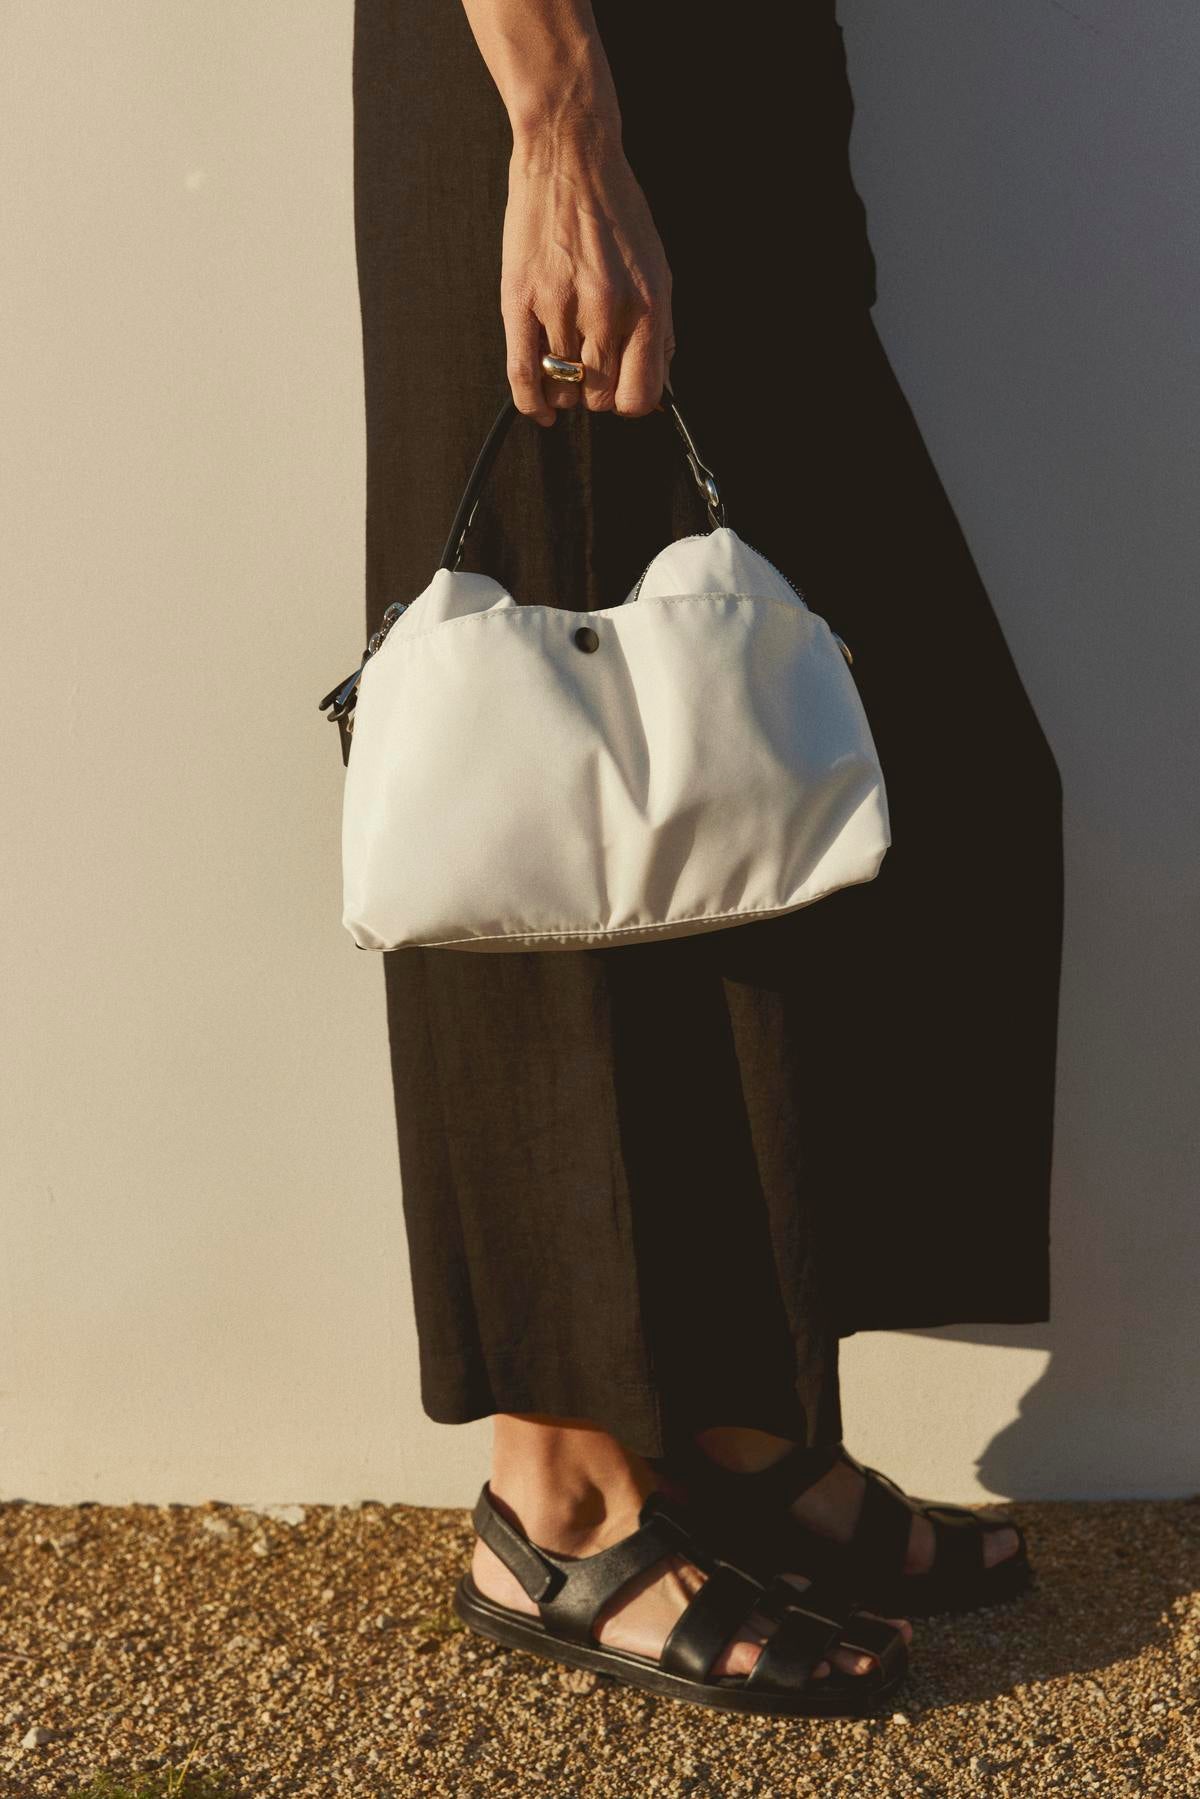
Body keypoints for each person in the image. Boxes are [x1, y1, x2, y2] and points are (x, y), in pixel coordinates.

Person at [349, 0, 1063, 1717]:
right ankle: (561, 1494)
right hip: (557, 75)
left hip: (736, 79)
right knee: (551, 790)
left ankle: (741, 1432)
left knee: (822, 766)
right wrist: (561, 119)